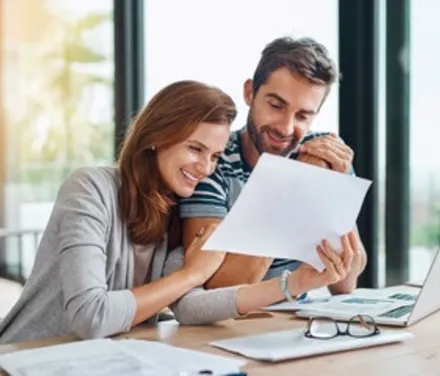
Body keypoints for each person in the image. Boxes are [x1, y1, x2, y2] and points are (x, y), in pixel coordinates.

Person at [0, 80, 358, 344]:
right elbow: (91, 316)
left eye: (215, 156)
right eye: (195, 149)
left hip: (99, 363)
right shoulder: (90, 189)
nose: (206, 167)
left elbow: (190, 308)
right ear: (157, 136)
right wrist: (191, 274)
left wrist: (294, 284)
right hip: (24, 358)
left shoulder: (174, 209)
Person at [180, 36, 367, 294]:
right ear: (249, 93)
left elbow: (344, 283)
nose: (286, 127)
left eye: (302, 115)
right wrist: (293, 184)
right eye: (276, 105)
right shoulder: (212, 163)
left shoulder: (322, 153)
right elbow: (213, 287)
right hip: (240, 327)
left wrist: (339, 182)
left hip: (307, 322)